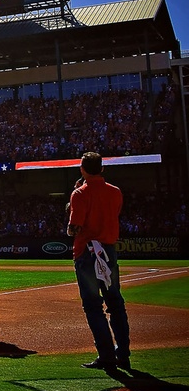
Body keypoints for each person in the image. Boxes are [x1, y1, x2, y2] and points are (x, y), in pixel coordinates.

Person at [67, 151, 130, 371]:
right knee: (115, 303)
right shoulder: (115, 191)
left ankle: (106, 355)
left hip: (87, 252)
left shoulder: (80, 193)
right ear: (102, 168)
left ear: (82, 169)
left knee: (93, 306)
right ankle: (123, 354)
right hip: (108, 250)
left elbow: (73, 229)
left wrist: (71, 206)